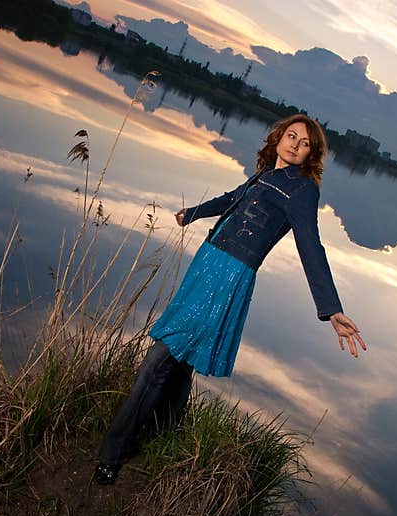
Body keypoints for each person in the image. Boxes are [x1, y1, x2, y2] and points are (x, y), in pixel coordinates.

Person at [95, 114, 367, 485]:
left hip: (229, 276)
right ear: (278, 137)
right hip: (208, 264)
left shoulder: (302, 190)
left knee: (161, 358)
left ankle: (114, 452)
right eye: (291, 136)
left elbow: (311, 246)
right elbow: (232, 200)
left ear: (311, 156)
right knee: (181, 361)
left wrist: (331, 309)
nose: (295, 145)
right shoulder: (265, 175)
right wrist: (193, 213)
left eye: (305, 144)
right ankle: (166, 441)